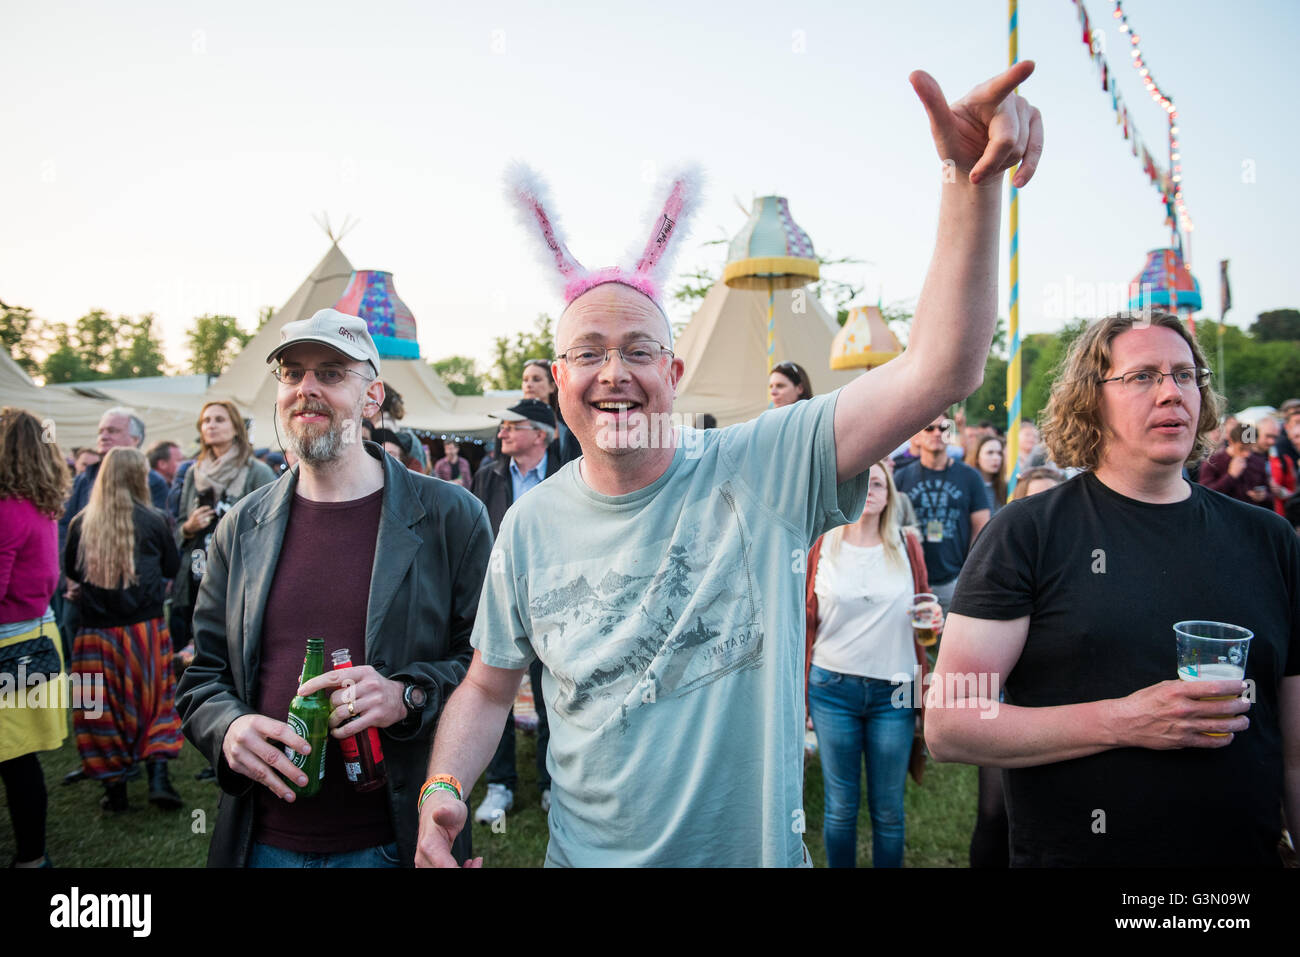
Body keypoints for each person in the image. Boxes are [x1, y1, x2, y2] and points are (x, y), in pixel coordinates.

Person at [417, 60, 1043, 867]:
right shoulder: (530, 523)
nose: (614, 373)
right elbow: (487, 684)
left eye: (639, 350)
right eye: (589, 353)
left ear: (673, 376)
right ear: (558, 380)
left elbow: (941, 367)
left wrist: (968, 181)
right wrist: (441, 792)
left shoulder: (763, 464)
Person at [926, 311, 1299, 867]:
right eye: (1143, 376)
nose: (1172, 393)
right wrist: (1125, 720)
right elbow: (950, 724)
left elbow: (1295, 755)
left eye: (1185, 374)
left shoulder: (1269, 538)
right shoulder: (1028, 532)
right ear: (1091, 398)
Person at [176, 308, 492, 868]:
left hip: (398, 837)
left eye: (330, 372)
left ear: (372, 396)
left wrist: (406, 695)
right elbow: (203, 676)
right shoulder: (242, 527)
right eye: (292, 373)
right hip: (264, 839)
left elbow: (486, 667)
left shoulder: (450, 516)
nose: (306, 389)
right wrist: (229, 727)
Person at [803, 461, 933, 867]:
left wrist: (934, 618)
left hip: (894, 691)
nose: (868, 490)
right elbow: (802, 621)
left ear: (889, 493)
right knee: (841, 807)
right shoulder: (821, 544)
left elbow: (924, 605)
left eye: (876, 483)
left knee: (889, 810)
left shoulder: (907, 543)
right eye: (859, 483)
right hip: (831, 688)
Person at [64, 446, 183, 813]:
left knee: (97, 707)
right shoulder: (154, 519)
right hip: (143, 631)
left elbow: (71, 571)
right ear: (138, 477)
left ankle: (114, 790)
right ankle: (158, 777)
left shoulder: (81, 521)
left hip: (94, 635)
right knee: (154, 702)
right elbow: (172, 565)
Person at [172, 400, 277, 778]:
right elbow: (178, 526)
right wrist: (188, 526)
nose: (210, 426)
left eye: (218, 419)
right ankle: (217, 741)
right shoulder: (192, 472)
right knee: (203, 661)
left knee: (236, 662)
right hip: (199, 574)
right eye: (205, 421)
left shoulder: (257, 471)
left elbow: (270, 528)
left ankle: (247, 740)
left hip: (241, 578)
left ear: (235, 426)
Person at [469, 398, 562, 823]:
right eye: (502, 427)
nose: (502, 433)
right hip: (500, 604)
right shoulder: (487, 476)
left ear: (540, 434)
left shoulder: (569, 474)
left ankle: (549, 784)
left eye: (512, 426)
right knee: (493, 697)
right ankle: (500, 785)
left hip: (552, 603)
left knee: (553, 699)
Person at [0, 408, 70, 867]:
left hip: (11, 645)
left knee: (15, 760)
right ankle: (32, 857)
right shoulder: (39, 506)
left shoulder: (7, 510)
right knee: (18, 759)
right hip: (38, 637)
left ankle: (30, 858)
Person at [893, 415, 991, 612]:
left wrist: (969, 572)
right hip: (910, 578)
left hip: (953, 578)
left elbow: (981, 528)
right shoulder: (901, 477)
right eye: (929, 428)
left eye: (944, 428)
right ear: (917, 436)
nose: (937, 433)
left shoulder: (970, 477)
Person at [1197, 422, 1271, 508]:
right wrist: (1231, 475)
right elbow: (1205, 494)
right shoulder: (1213, 462)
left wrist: (1264, 496)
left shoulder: (1258, 461)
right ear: (1231, 441)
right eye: (1242, 448)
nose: (1246, 454)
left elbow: (1270, 493)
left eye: (1250, 449)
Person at [522, 357, 581, 464]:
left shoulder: (569, 424)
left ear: (552, 387)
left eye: (536, 379)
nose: (529, 385)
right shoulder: (509, 421)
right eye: (525, 380)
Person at [971, 434, 1007, 516]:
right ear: (977, 457)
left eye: (999, 453)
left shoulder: (1006, 487)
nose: (996, 458)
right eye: (990, 453)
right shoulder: (968, 486)